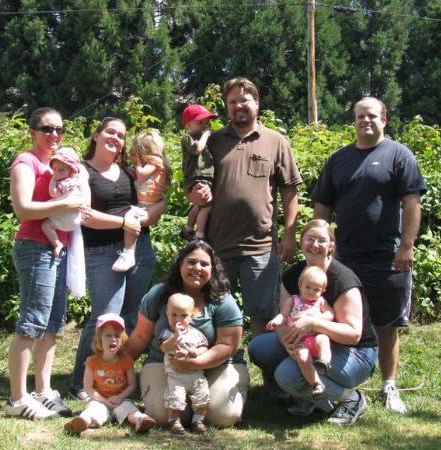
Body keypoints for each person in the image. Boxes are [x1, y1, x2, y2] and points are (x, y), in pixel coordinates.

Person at [311, 97, 427, 414]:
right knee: (338, 321)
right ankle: (344, 380)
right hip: (344, 258)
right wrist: (320, 246)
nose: (365, 121)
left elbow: (412, 202)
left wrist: (406, 245)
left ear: (384, 120)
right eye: (360, 116)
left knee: (386, 324)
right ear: (354, 121)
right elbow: (323, 206)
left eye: (372, 116)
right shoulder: (338, 159)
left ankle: (389, 386)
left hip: (387, 256)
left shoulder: (399, 155)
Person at [187, 77, 302, 339]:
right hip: (217, 246)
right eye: (232, 102)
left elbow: (289, 190)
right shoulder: (213, 141)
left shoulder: (275, 141)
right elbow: (191, 181)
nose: (238, 106)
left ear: (257, 103)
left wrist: (289, 235)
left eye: (244, 100)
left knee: (263, 314)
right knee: (215, 314)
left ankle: (262, 362)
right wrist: (194, 192)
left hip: (261, 247)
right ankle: (221, 361)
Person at [68, 117, 167, 402]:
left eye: (121, 135)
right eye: (110, 132)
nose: (115, 138)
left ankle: (116, 380)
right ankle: (81, 382)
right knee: (104, 319)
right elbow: (84, 215)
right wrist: (123, 222)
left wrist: (154, 210)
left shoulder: (128, 171)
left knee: (131, 319)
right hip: (101, 252)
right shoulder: (84, 171)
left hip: (141, 248)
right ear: (96, 136)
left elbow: (157, 202)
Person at [248, 220, 379, 426]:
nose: (315, 245)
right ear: (301, 242)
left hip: (355, 352)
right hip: (306, 341)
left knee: (287, 375)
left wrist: (312, 323)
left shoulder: (343, 280)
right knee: (259, 348)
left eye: (322, 240)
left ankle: (351, 398)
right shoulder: (293, 274)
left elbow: (353, 335)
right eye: (310, 239)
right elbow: (284, 316)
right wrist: (287, 343)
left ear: (331, 246)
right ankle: (312, 397)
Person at [6, 107, 89, 419]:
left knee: (52, 324)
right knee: (31, 322)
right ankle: (17, 399)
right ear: (33, 132)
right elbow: (22, 209)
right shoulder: (26, 162)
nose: (54, 134)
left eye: (59, 129)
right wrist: (65, 203)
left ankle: (43, 391)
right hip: (35, 247)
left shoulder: (60, 164)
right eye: (47, 128)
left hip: (59, 248)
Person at [126, 240, 249, 428]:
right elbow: (140, 337)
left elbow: (227, 345)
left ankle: (224, 396)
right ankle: (187, 407)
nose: (197, 268)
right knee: (162, 416)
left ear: (212, 269)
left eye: (204, 264)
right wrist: (117, 368)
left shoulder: (223, 300)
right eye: (191, 262)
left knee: (222, 417)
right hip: (164, 363)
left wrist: (194, 363)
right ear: (180, 264)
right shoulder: (159, 294)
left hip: (218, 364)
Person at [64, 313, 156, 435]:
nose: (113, 339)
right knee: (94, 410)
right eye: (108, 335)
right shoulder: (92, 362)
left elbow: (132, 385)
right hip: (99, 401)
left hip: (120, 401)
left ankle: (141, 420)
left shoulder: (127, 361)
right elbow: (88, 388)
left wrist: (120, 397)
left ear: (122, 340)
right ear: (98, 339)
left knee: (129, 409)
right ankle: (81, 422)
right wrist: (105, 401)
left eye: (117, 336)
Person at [266, 266, 334, 397]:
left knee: (323, 339)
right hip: (299, 340)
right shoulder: (292, 300)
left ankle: (324, 362)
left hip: (315, 337)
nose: (311, 292)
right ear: (300, 285)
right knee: (303, 359)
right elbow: (284, 315)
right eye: (308, 287)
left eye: (316, 289)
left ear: (323, 291)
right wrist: (275, 321)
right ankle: (316, 383)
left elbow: (330, 314)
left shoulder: (321, 302)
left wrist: (318, 318)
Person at [112, 131, 172, 272]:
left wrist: (139, 162)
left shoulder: (155, 161)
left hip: (147, 206)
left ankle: (128, 252)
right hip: (146, 205)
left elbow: (141, 175)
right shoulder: (153, 166)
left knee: (130, 218)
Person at [158, 293, 210, 434]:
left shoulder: (195, 333)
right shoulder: (167, 334)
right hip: (176, 375)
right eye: (174, 315)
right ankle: (173, 421)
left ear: (191, 316)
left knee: (202, 396)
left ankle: (198, 420)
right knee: (175, 398)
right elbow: (164, 348)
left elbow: (204, 346)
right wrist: (175, 337)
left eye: (183, 316)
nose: (178, 320)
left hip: (196, 374)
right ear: (167, 314)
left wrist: (196, 352)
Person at [41, 147, 90, 258]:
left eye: (62, 170)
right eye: (55, 169)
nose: (57, 173)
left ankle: (57, 243)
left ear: (71, 171)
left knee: (46, 226)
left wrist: (53, 180)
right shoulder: (77, 180)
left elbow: (54, 193)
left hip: (67, 217)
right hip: (75, 219)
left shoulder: (66, 182)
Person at [179, 104, 218, 242]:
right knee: (206, 207)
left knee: (199, 206)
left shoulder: (202, 138)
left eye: (207, 123)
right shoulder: (188, 138)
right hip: (196, 177)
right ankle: (199, 236)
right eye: (200, 122)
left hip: (204, 177)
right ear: (188, 125)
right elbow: (196, 149)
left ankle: (188, 229)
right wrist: (206, 136)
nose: (205, 126)